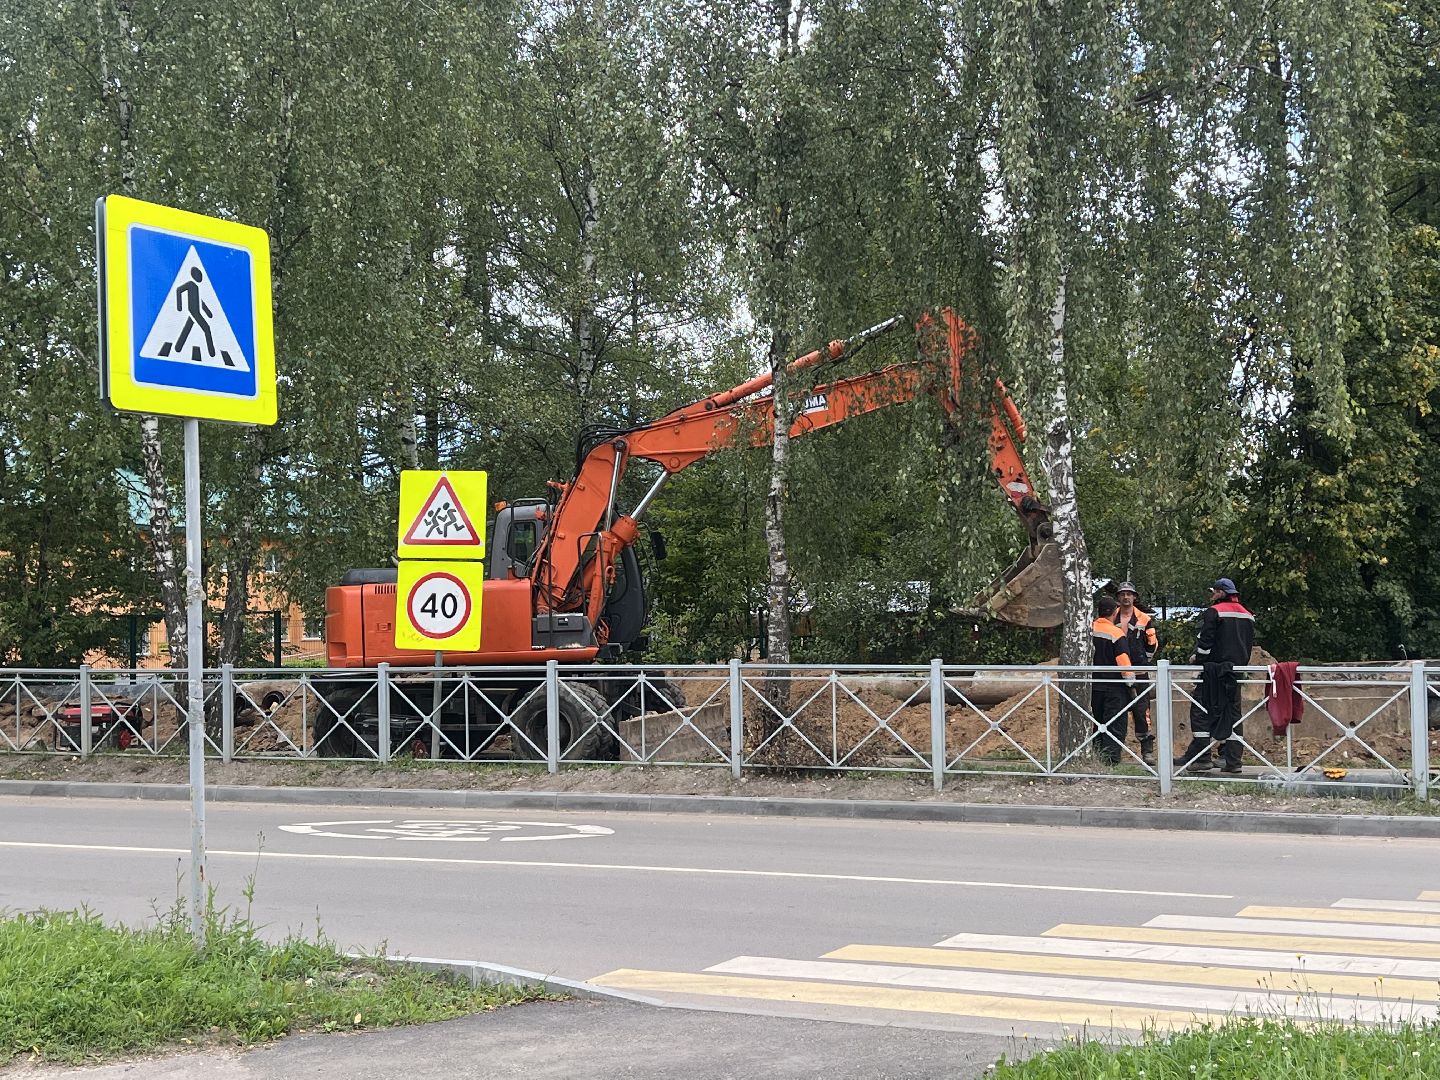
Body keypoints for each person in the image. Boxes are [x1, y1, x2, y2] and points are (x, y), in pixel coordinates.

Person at [1175, 577, 1255, 774]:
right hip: (1235, 673)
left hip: (1213, 671)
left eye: (1214, 592)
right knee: (1233, 714)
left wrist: (1197, 659)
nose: (1212, 596)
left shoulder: (1215, 612)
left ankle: (1202, 758)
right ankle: (1233, 760)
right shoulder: (1248, 615)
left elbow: (1206, 643)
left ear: (1220, 592)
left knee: (1201, 711)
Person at [1113, 582, 1158, 764]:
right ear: (1118, 597)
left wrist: (1142, 661)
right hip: (1115, 672)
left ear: (1134, 597)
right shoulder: (1111, 617)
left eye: (1129, 594)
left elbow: (1152, 644)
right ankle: (1113, 752)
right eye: (1122, 594)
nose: (1126, 597)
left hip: (1138, 672)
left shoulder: (1144, 619)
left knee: (1141, 712)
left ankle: (1147, 751)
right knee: (1115, 711)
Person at [1091, 595, 1136, 765]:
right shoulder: (1116, 633)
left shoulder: (1088, 630)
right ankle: (1111, 760)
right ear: (1115, 612)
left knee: (1098, 722)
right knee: (1115, 724)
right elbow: (1123, 660)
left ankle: (1096, 756)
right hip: (1114, 688)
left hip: (1094, 687)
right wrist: (1131, 683)